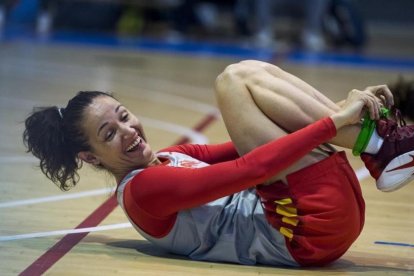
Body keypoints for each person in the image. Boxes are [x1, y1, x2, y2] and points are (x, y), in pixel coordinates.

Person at [23, 60, 413, 267]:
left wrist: (347, 111)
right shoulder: (143, 191)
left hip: (310, 215)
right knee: (230, 82)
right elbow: (253, 169)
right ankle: (377, 144)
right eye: (109, 134)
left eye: (124, 116)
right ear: (90, 157)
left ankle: (377, 141)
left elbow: (255, 139)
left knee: (246, 74)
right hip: (304, 233)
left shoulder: (169, 158)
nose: (127, 131)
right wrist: (337, 120)